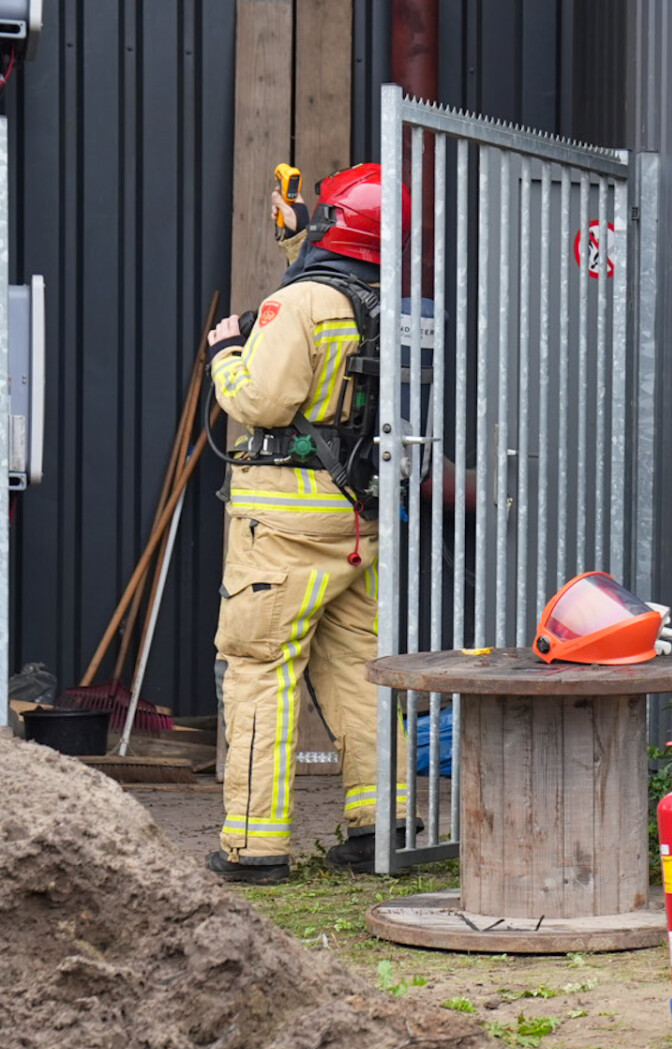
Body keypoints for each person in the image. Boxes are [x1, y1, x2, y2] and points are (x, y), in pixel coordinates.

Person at [204, 163, 408, 884]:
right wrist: (297, 233)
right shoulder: (382, 301)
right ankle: (381, 823)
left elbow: (260, 399)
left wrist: (226, 353)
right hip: (354, 520)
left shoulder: (299, 304)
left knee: (260, 669)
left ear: (338, 225)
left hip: (282, 526)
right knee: (358, 670)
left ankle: (256, 847)